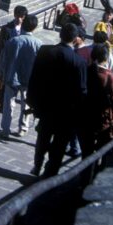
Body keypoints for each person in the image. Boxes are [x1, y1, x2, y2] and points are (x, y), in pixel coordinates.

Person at [27, 24, 88, 177]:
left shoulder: (45, 51)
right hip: (66, 111)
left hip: (46, 106)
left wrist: (32, 101)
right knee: (60, 144)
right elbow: (81, 90)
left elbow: (34, 78)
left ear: (60, 35)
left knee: (42, 139)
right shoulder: (79, 62)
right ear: (75, 39)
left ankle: (37, 165)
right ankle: (50, 172)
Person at [0, 14, 42, 138]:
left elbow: (3, 60)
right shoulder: (39, 44)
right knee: (26, 103)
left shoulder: (13, 41)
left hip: (12, 76)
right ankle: (23, 127)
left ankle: (5, 129)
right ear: (34, 27)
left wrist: (0, 74)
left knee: (8, 104)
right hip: (29, 79)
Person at [0, 5, 28, 109]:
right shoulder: (7, 29)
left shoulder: (25, 29)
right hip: (7, 61)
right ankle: (2, 106)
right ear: (14, 15)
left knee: (11, 84)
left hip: (19, 62)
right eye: (18, 16)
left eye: (22, 17)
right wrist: (0, 63)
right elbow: (1, 47)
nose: (19, 19)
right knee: (5, 82)